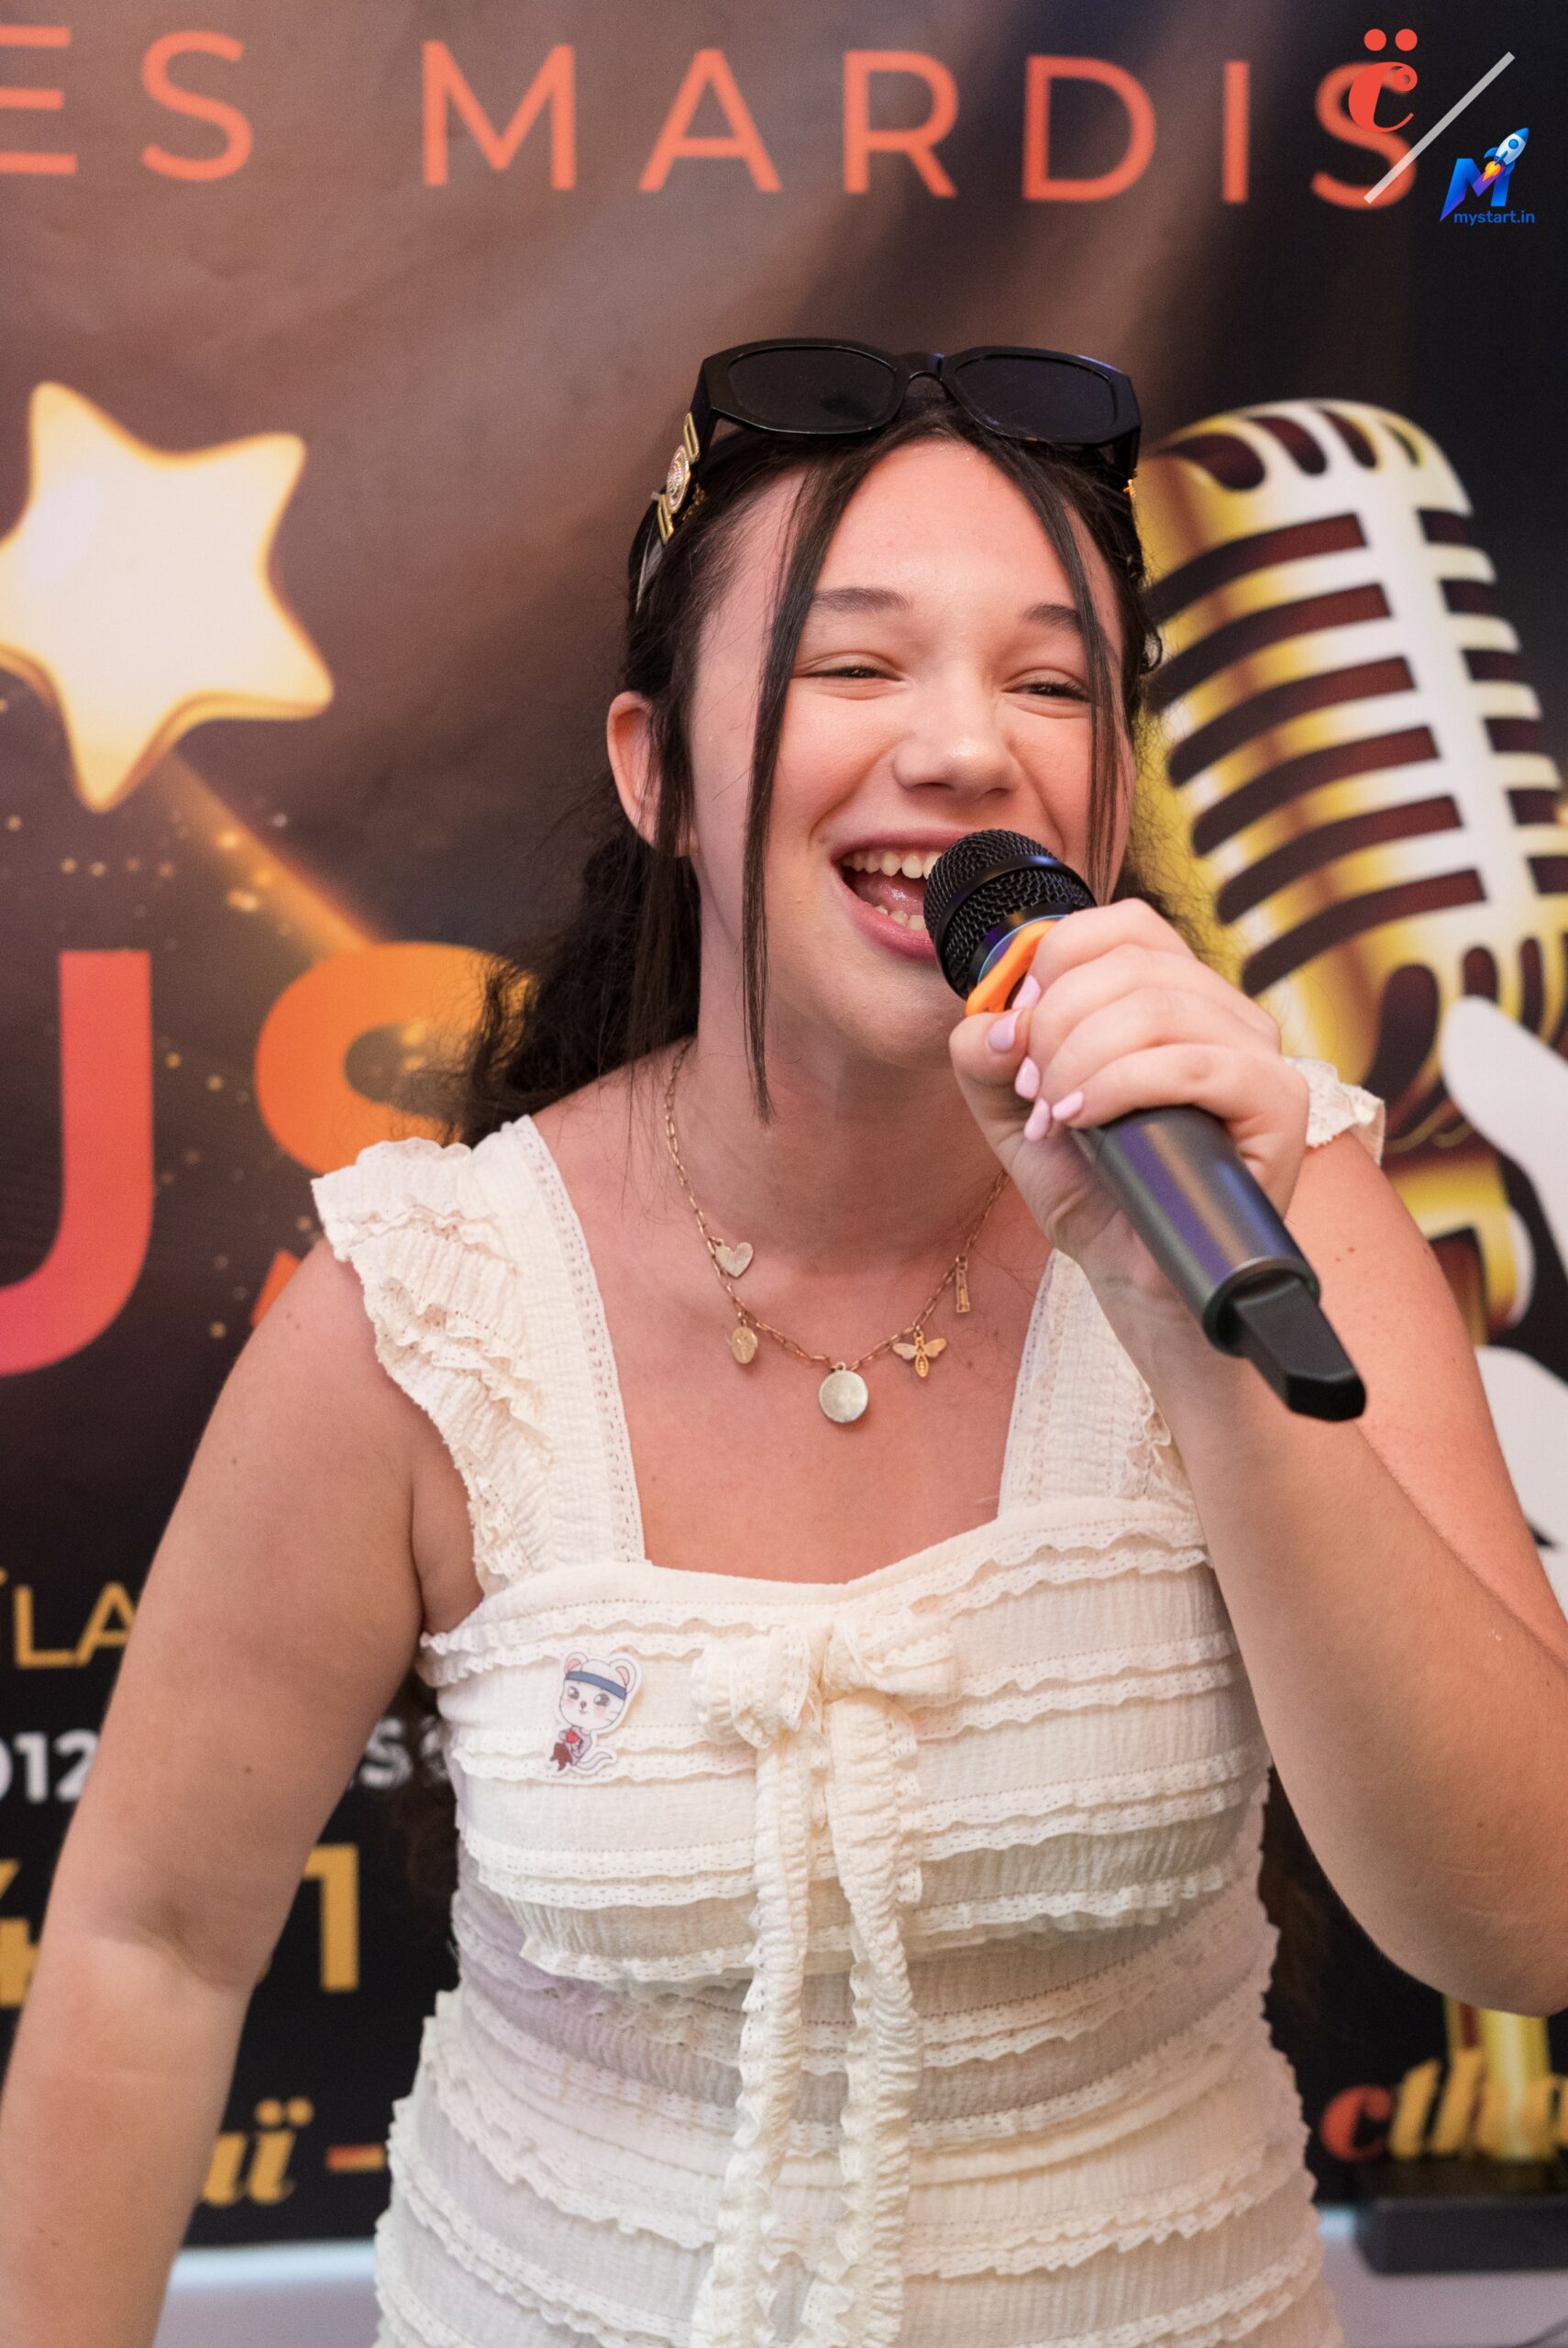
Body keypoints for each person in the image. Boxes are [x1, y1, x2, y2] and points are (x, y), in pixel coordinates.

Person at [3, 340, 1567, 2348]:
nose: (966, 749)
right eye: (856, 664)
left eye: (1051, 684)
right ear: (658, 769)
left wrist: (1188, 1327)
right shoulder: (430, 1300)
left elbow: (1516, 1923)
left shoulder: (1279, 1206)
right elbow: (147, 1945)